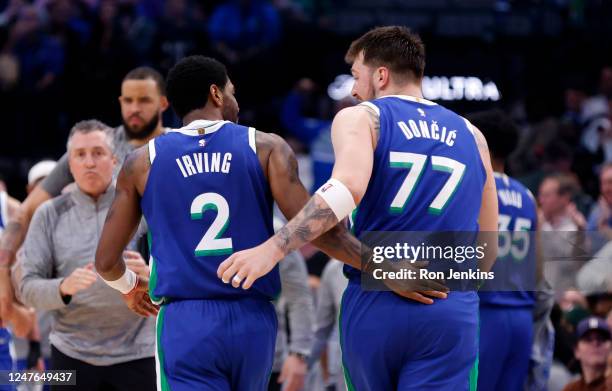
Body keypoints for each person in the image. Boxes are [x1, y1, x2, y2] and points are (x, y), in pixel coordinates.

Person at [218, 26, 498, 391]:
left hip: (377, 297)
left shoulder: (364, 116)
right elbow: (489, 250)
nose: (353, 89)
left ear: (381, 75)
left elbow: (346, 187)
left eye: (356, 76)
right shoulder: (473, 134)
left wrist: (273, 248)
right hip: (447, 303)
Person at [95, 55, 363, 390]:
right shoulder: (265, 147)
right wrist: (388, 269)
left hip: (186, 320)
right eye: (231, 92)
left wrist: (129, 287)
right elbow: (323, 232)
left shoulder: (142, 162)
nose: (236, 100)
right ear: (216, 94)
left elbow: (105, 261)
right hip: (253, 320)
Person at [0, 66, 169, 319]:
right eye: (129, 100)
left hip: (165, 280)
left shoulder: (179, 148)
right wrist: (3, 271)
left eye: (144, 100)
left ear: (163, 103)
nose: (134, 108)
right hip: (100, 292)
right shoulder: (93, 146)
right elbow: (25, 212)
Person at [19, 120, 155, 391]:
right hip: (71, 353)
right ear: (69, 165)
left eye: (98, 153)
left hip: (139, 351)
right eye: (80, 155)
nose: (89, 162)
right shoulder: (49, 214)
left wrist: (151, 274)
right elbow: (27, 288)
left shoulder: (144, 206)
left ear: (114, 159)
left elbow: (177, 267)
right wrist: (63, 287)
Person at [468, 109, 541, 391]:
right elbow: (538, 269)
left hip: (483, 314)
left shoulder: (474, 189)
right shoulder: (528, 196)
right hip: (521, 317)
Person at [562, 317, 611, 391]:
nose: (595, 343)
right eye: (588, 339)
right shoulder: (571, 388)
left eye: (601, 338)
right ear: (576, 351)